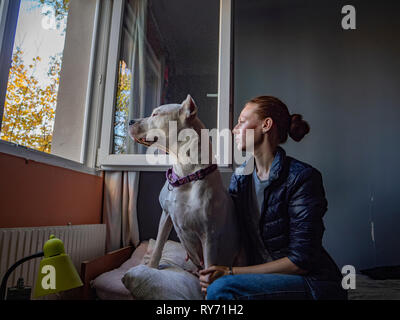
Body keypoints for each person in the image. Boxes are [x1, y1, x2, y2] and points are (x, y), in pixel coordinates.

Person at [199, 96, 347, 300]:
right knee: (213, 285)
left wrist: (230, 272)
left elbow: (300, 262)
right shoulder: (240, 178)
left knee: (222, 289)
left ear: (266, 125)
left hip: (314, 283)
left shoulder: (302, 178)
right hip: (264, 278)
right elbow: (230, 229)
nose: (234, 129)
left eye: (241, 122)